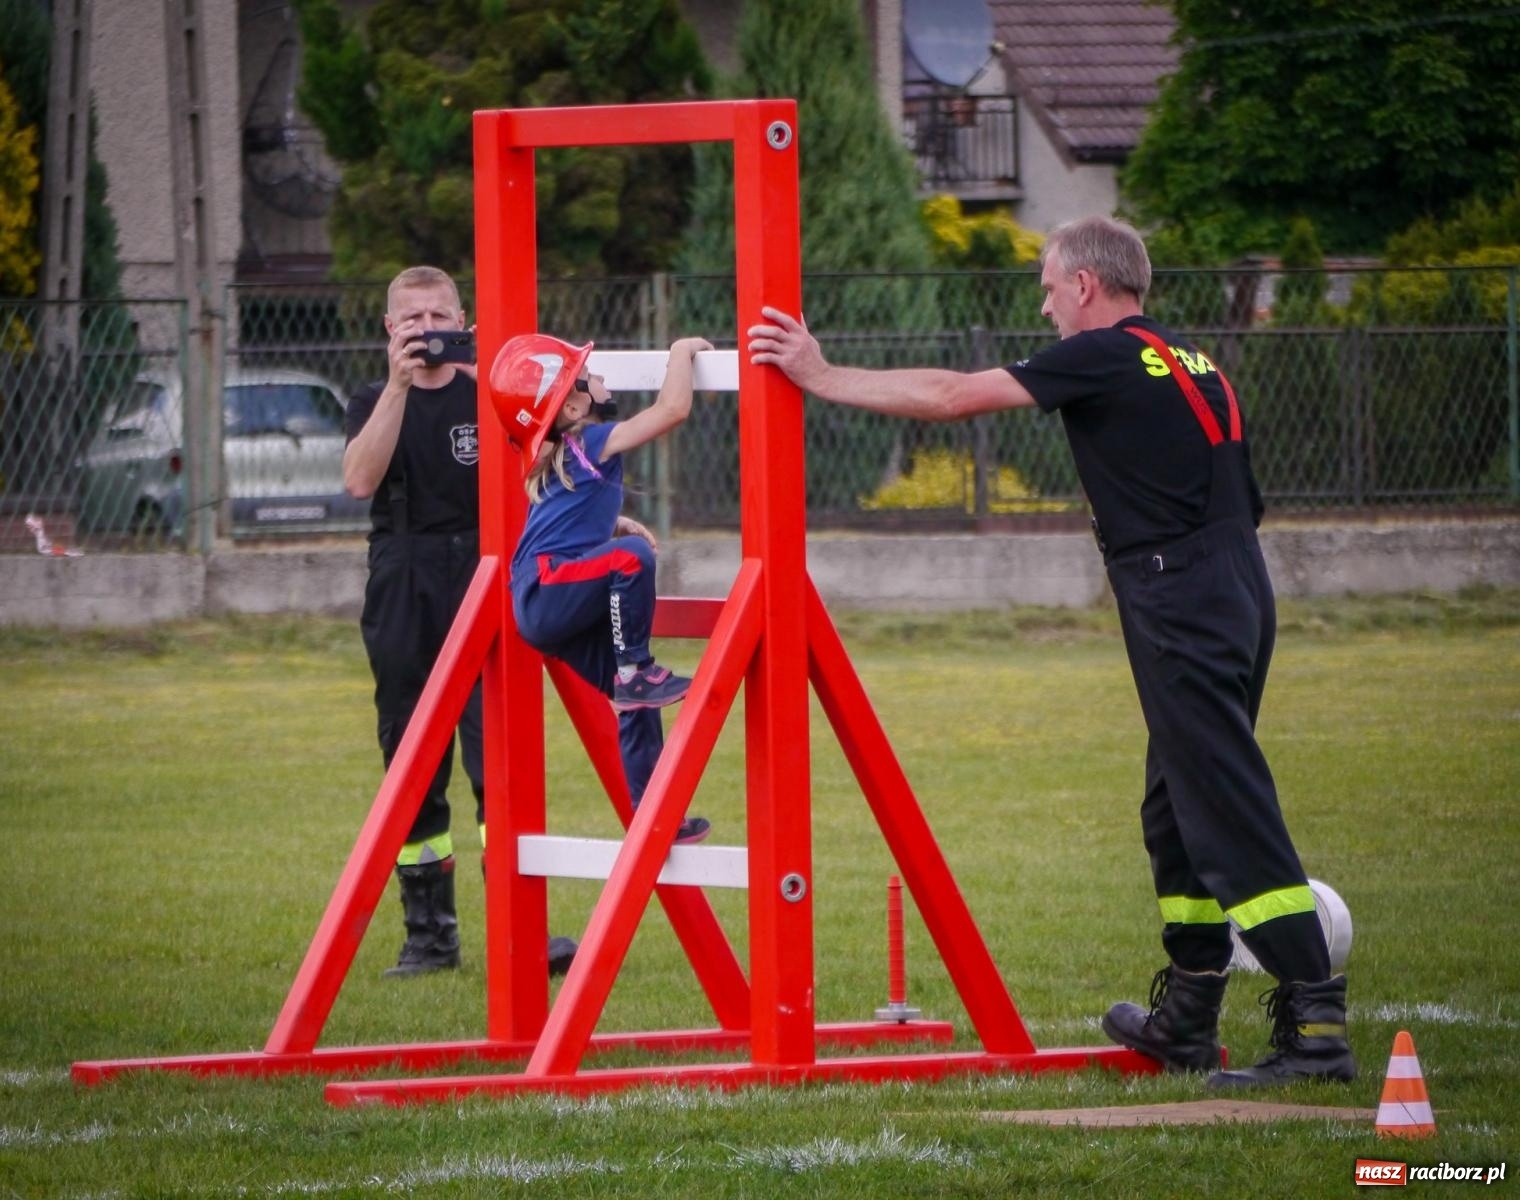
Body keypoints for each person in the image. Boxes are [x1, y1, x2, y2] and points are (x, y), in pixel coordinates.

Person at [746, 216, 1355, 1090]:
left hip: (1180, 594)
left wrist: (819, 373)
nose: (1043, 304)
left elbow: (954, 395)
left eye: (1047, 285)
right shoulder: (1191, 360)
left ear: (1085, 286)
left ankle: (1317, 1027)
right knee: (1174, 807)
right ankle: (1188, 1015)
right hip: (1231, 585)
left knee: (1224, 805)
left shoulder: (1104, 352)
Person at [344, 266, 575, 979]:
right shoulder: (373, 399)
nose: (426, 330)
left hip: (487, 570)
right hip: (405, 578)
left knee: (499, 760)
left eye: (438, 316)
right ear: (390, 329)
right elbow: (358, 480)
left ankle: (521, 931)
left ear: (465, 321)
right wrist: (397, 387)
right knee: (413, 758)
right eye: (411, 320)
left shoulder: (493, 395)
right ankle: (430, 938)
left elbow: (549, 471)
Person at [490, 332, 714, 845]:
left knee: (634, 701)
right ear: (571, 403)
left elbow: (564, 528)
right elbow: (673, 409)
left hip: (544, 596)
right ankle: (637, 670)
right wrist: (680, 352)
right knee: (633, 564)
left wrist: (616, 525)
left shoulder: (558, 462)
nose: (602, 378)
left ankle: (654, 815)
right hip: (548, 589)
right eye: (590, 376)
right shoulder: (590, 440)